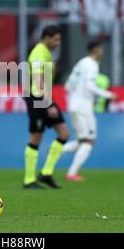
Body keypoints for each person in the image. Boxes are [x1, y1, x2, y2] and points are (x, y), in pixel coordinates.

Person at [22, 25, 70, 190]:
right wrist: (47, 102)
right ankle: (29, 180)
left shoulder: (46, 53)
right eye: (56, 39)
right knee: (36, 136)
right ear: (47, 37)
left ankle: (46, 173)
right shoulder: (39, 52)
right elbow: (37, 78)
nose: (58, 43)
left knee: (63, 133)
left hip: (43, 97)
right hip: (37, 98)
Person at [62, 41, 117, 182]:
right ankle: (71, 174)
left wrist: (79, 97)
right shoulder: (92, 65)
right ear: (96, 50)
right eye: (101, 49)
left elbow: (68, 85)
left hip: (74, 105)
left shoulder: (81, 63)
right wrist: (108, 95)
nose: (102, 52)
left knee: (80, 141)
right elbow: (90, 86)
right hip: (83, 107)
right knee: (89, 141)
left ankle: (55, 150)